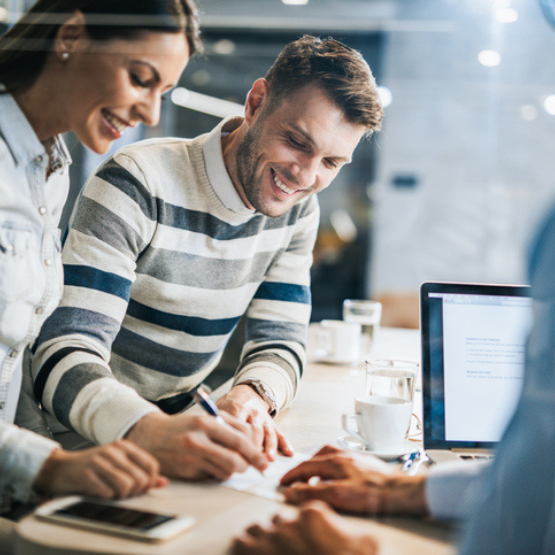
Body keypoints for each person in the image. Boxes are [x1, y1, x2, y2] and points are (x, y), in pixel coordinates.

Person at [29, 35, 384, 482]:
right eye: (297, 142)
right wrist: (149, 430)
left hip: (183, 436)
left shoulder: (298, 209)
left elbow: (281, 340)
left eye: (332, 162)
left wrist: (250, 397)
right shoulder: (138, 181)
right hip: (82, 447)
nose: (306, 176)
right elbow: (62, 351)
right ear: (256, 103)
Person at [0, 0, 202, 547]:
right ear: (71, 35)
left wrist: (59, 466)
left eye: (163, 92)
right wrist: (44, 467)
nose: (152, 113)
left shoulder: (51, 170)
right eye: (141, 79)